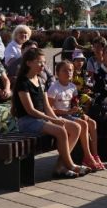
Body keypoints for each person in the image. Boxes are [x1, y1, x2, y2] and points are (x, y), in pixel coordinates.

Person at [13, 48, 89, 178]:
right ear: (28, 63)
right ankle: (70, 165)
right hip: (27, 121)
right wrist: (53, 120)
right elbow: (30, 110)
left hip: (41, 119)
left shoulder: (40, 81)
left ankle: (60, 166)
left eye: (44, 62)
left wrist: (56, 119)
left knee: (76, 127)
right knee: (61, 131)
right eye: (39, 62)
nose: (43, 65)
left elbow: (47, 107)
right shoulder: (22, 82)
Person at [47, 61, 104, 171]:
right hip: (59, 117)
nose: (68, 73)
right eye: (65, 70)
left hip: (70, 115)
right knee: (83, 124)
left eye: (70, 70)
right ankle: (87, 156)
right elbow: (50, 110)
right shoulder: (54, 88)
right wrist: (67, 113)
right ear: (57, 73)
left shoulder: (72, 87)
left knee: (92, 122)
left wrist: (81, 113)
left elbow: (75, 105)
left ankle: (95, 155)